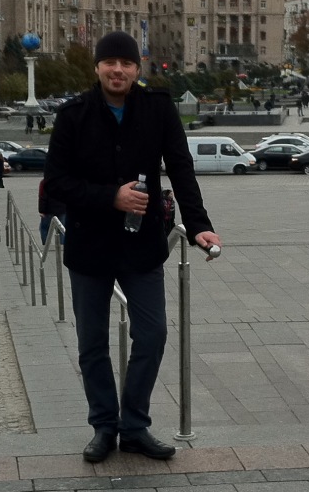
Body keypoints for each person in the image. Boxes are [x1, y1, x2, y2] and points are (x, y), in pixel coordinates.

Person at [44, 30, 221, 464]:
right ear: (97, 67)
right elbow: (57, 182)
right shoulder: (74, 114)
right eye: (110, 63)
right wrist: (111, 197)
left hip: (141, 245)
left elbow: (180, 167)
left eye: (126, 63)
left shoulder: (157, 108)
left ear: (137, 69)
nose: (118, 70)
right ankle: (104, 427)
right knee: (92, 344)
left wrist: (199, 226)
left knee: (153, 334)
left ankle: (135, 425)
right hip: (90, 246)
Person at [37, 178, 67, 245]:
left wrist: (41, 210)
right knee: (62, 230)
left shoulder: (45, 182)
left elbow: (42, 196)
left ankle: (46, 245)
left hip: (48, 210)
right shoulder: (64, 181)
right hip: (62, 210)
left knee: (44, 229)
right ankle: (62, 246)